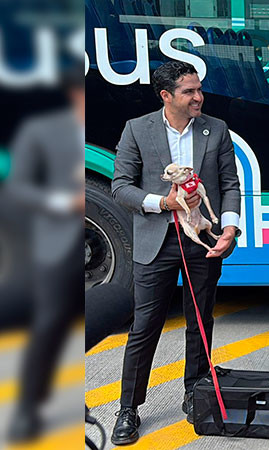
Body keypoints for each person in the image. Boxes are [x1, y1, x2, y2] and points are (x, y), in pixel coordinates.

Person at [110, 61, 240, 445]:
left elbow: (229, 184)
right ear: (166, 96)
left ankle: (195, 393)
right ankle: (129, 408)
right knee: (144, 326)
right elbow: (120, 187)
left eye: (199, 89)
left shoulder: (214, 129)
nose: (198, 97)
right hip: (157, 240)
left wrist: (228, 227)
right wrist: (163, 203)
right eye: (189, 91)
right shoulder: (138, 128)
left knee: (200, 320)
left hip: (202, 239)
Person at [3, 65, 84, 443]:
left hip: (128, 240)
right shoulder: (41, 131)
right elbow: (16, 189)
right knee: (49, 321)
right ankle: (28, 408)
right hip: (50, 241)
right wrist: (64, 201)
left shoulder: (129, 130)